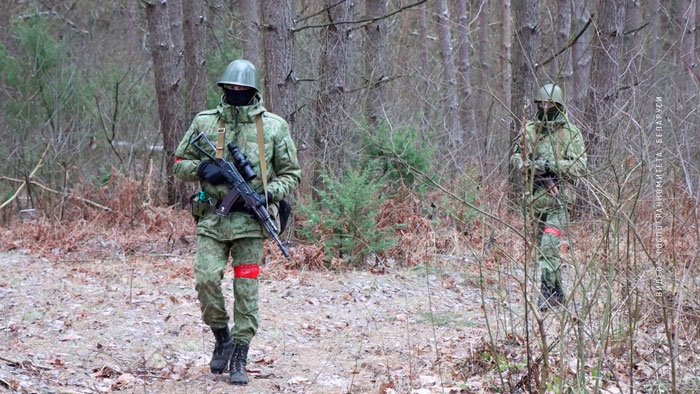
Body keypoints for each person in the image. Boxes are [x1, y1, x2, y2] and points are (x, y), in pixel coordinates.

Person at [173, 59, 301, 385]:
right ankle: (222, 336)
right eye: (230, 89)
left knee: (246, 290)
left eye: (242, 90)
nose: (235, 93)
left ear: (253, 91)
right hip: (213, 219)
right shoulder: (205, 122)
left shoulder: (273, 126)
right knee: (205, 279)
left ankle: (240, 355)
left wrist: (267, 194)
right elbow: (179, 162)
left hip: (251, 224)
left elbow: (291, 174)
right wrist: (203, 170)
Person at [510, 84, 587, 311]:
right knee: (543, 251)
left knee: (549, 246)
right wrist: (525, 164)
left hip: (559, 200)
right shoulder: (529, 129)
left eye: (549, 104)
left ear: (558, 105)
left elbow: (580, 165)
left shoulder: (570, 132)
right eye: (541, 103)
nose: (544, 107)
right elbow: (515, 154)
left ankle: (546, 294)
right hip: (534, 201)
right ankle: (557, 294)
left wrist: (549, 165)